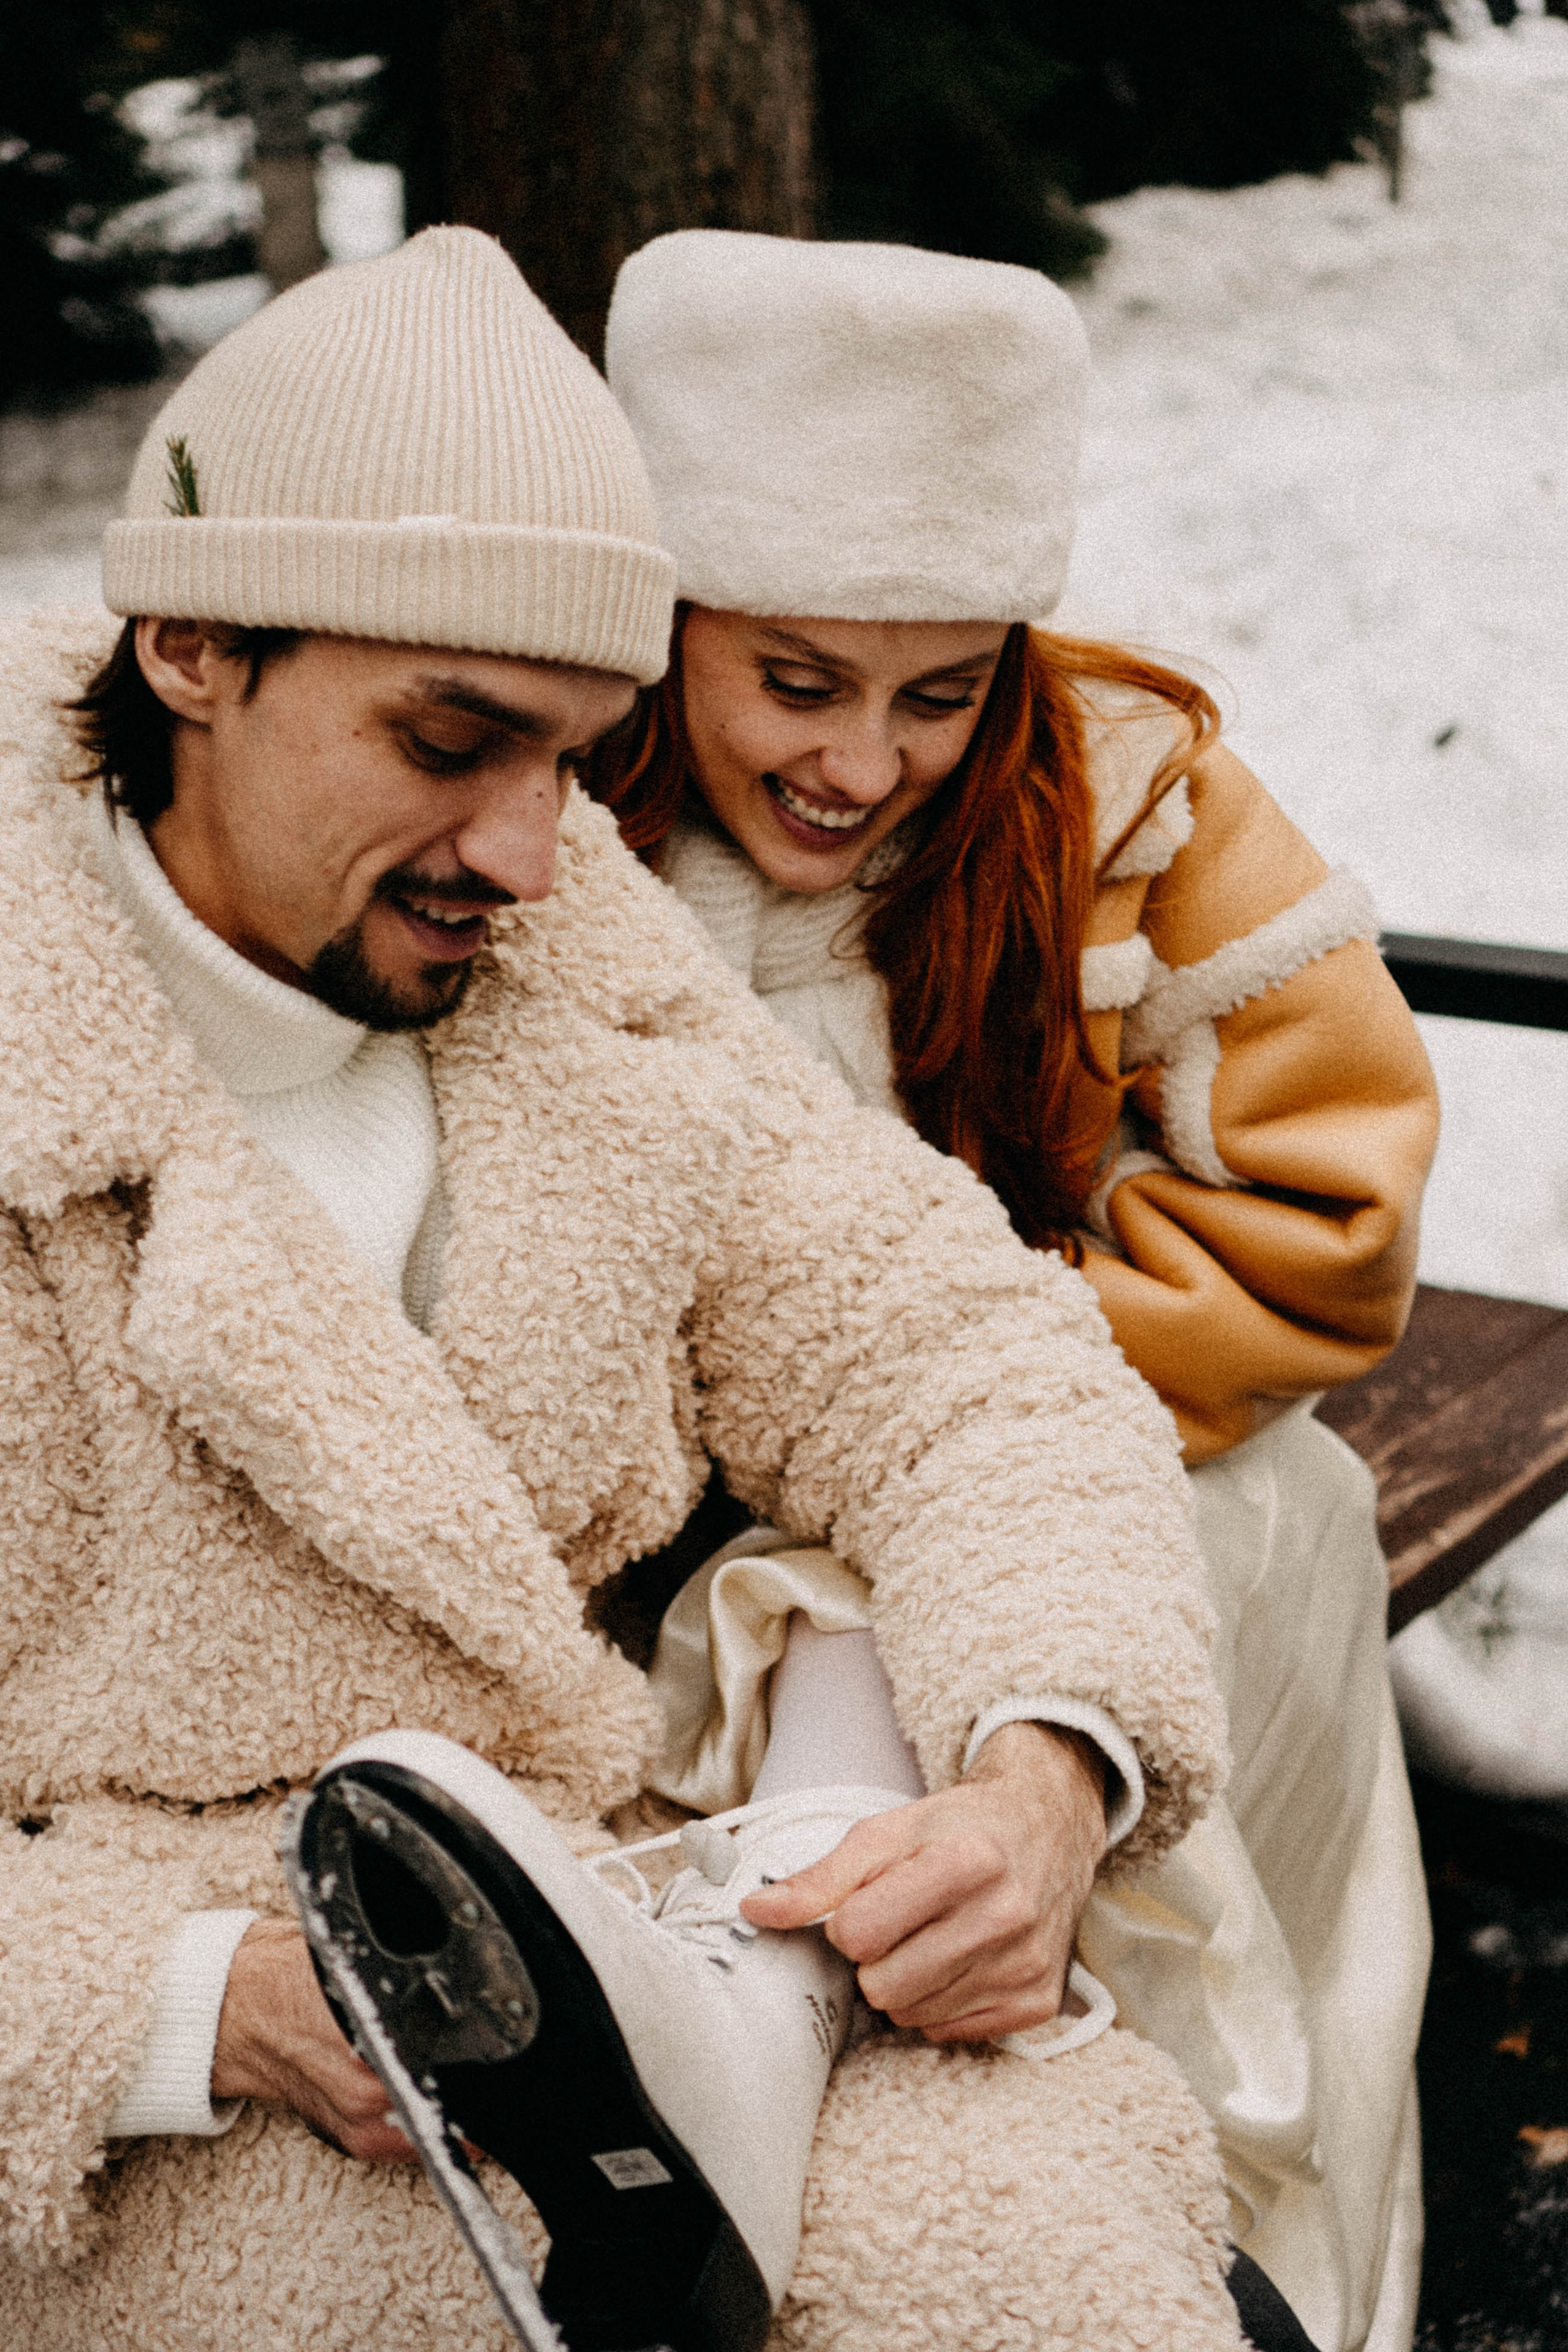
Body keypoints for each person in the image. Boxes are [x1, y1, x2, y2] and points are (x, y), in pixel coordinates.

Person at [0, 224, 1254, 2352]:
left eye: (576, 754)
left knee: (1069, 2269)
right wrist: (188, 2009)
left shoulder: (578, 973)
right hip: (141, 2087)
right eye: (451, 739)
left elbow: (967, 1358)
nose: (526, 847)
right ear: (198, 643)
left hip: (638, 1968)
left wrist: (1045, 1773)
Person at [594, 228, 1444, 2352]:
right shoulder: (552, 824)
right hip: (669, 1543)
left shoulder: (1126, 801)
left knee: (928, 1624)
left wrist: (953, 1406)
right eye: (794, 679)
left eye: (940, 689)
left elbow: (1316, 1225)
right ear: (666, 613)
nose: (866, 762)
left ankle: (1073, 2207)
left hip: (1157, 1468)